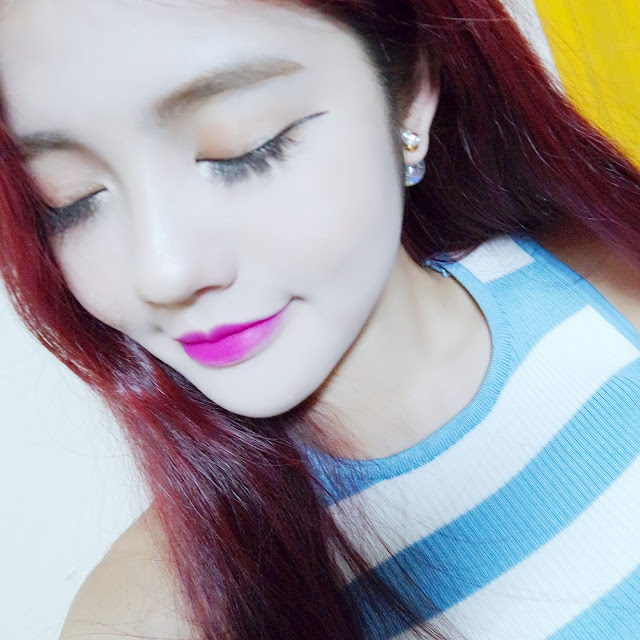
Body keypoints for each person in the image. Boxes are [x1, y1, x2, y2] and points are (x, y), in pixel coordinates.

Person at [1, 0, 639, 639]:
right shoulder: (147, 620)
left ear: (409, 97)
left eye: (243, 149)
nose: (162, 272)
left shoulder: (611, 274)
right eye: (71, 199)